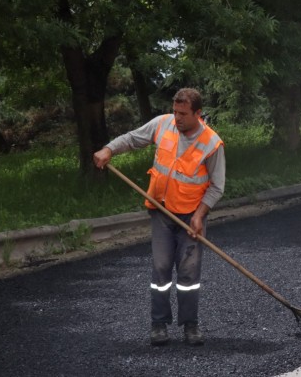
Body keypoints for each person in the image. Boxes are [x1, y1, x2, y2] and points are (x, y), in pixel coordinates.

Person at [93, 87, 225, 346]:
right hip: (161, 211)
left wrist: (200, 215)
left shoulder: (211, 143)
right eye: (175, 112)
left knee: (188, 274)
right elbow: (132, 138)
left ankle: (190, 325)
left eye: (183, 114)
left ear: (198, 114)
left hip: (190, 217)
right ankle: (159, 324)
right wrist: (109, 149)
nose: (177, 118)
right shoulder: (163, 124)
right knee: (161, 269)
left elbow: (217, 186)